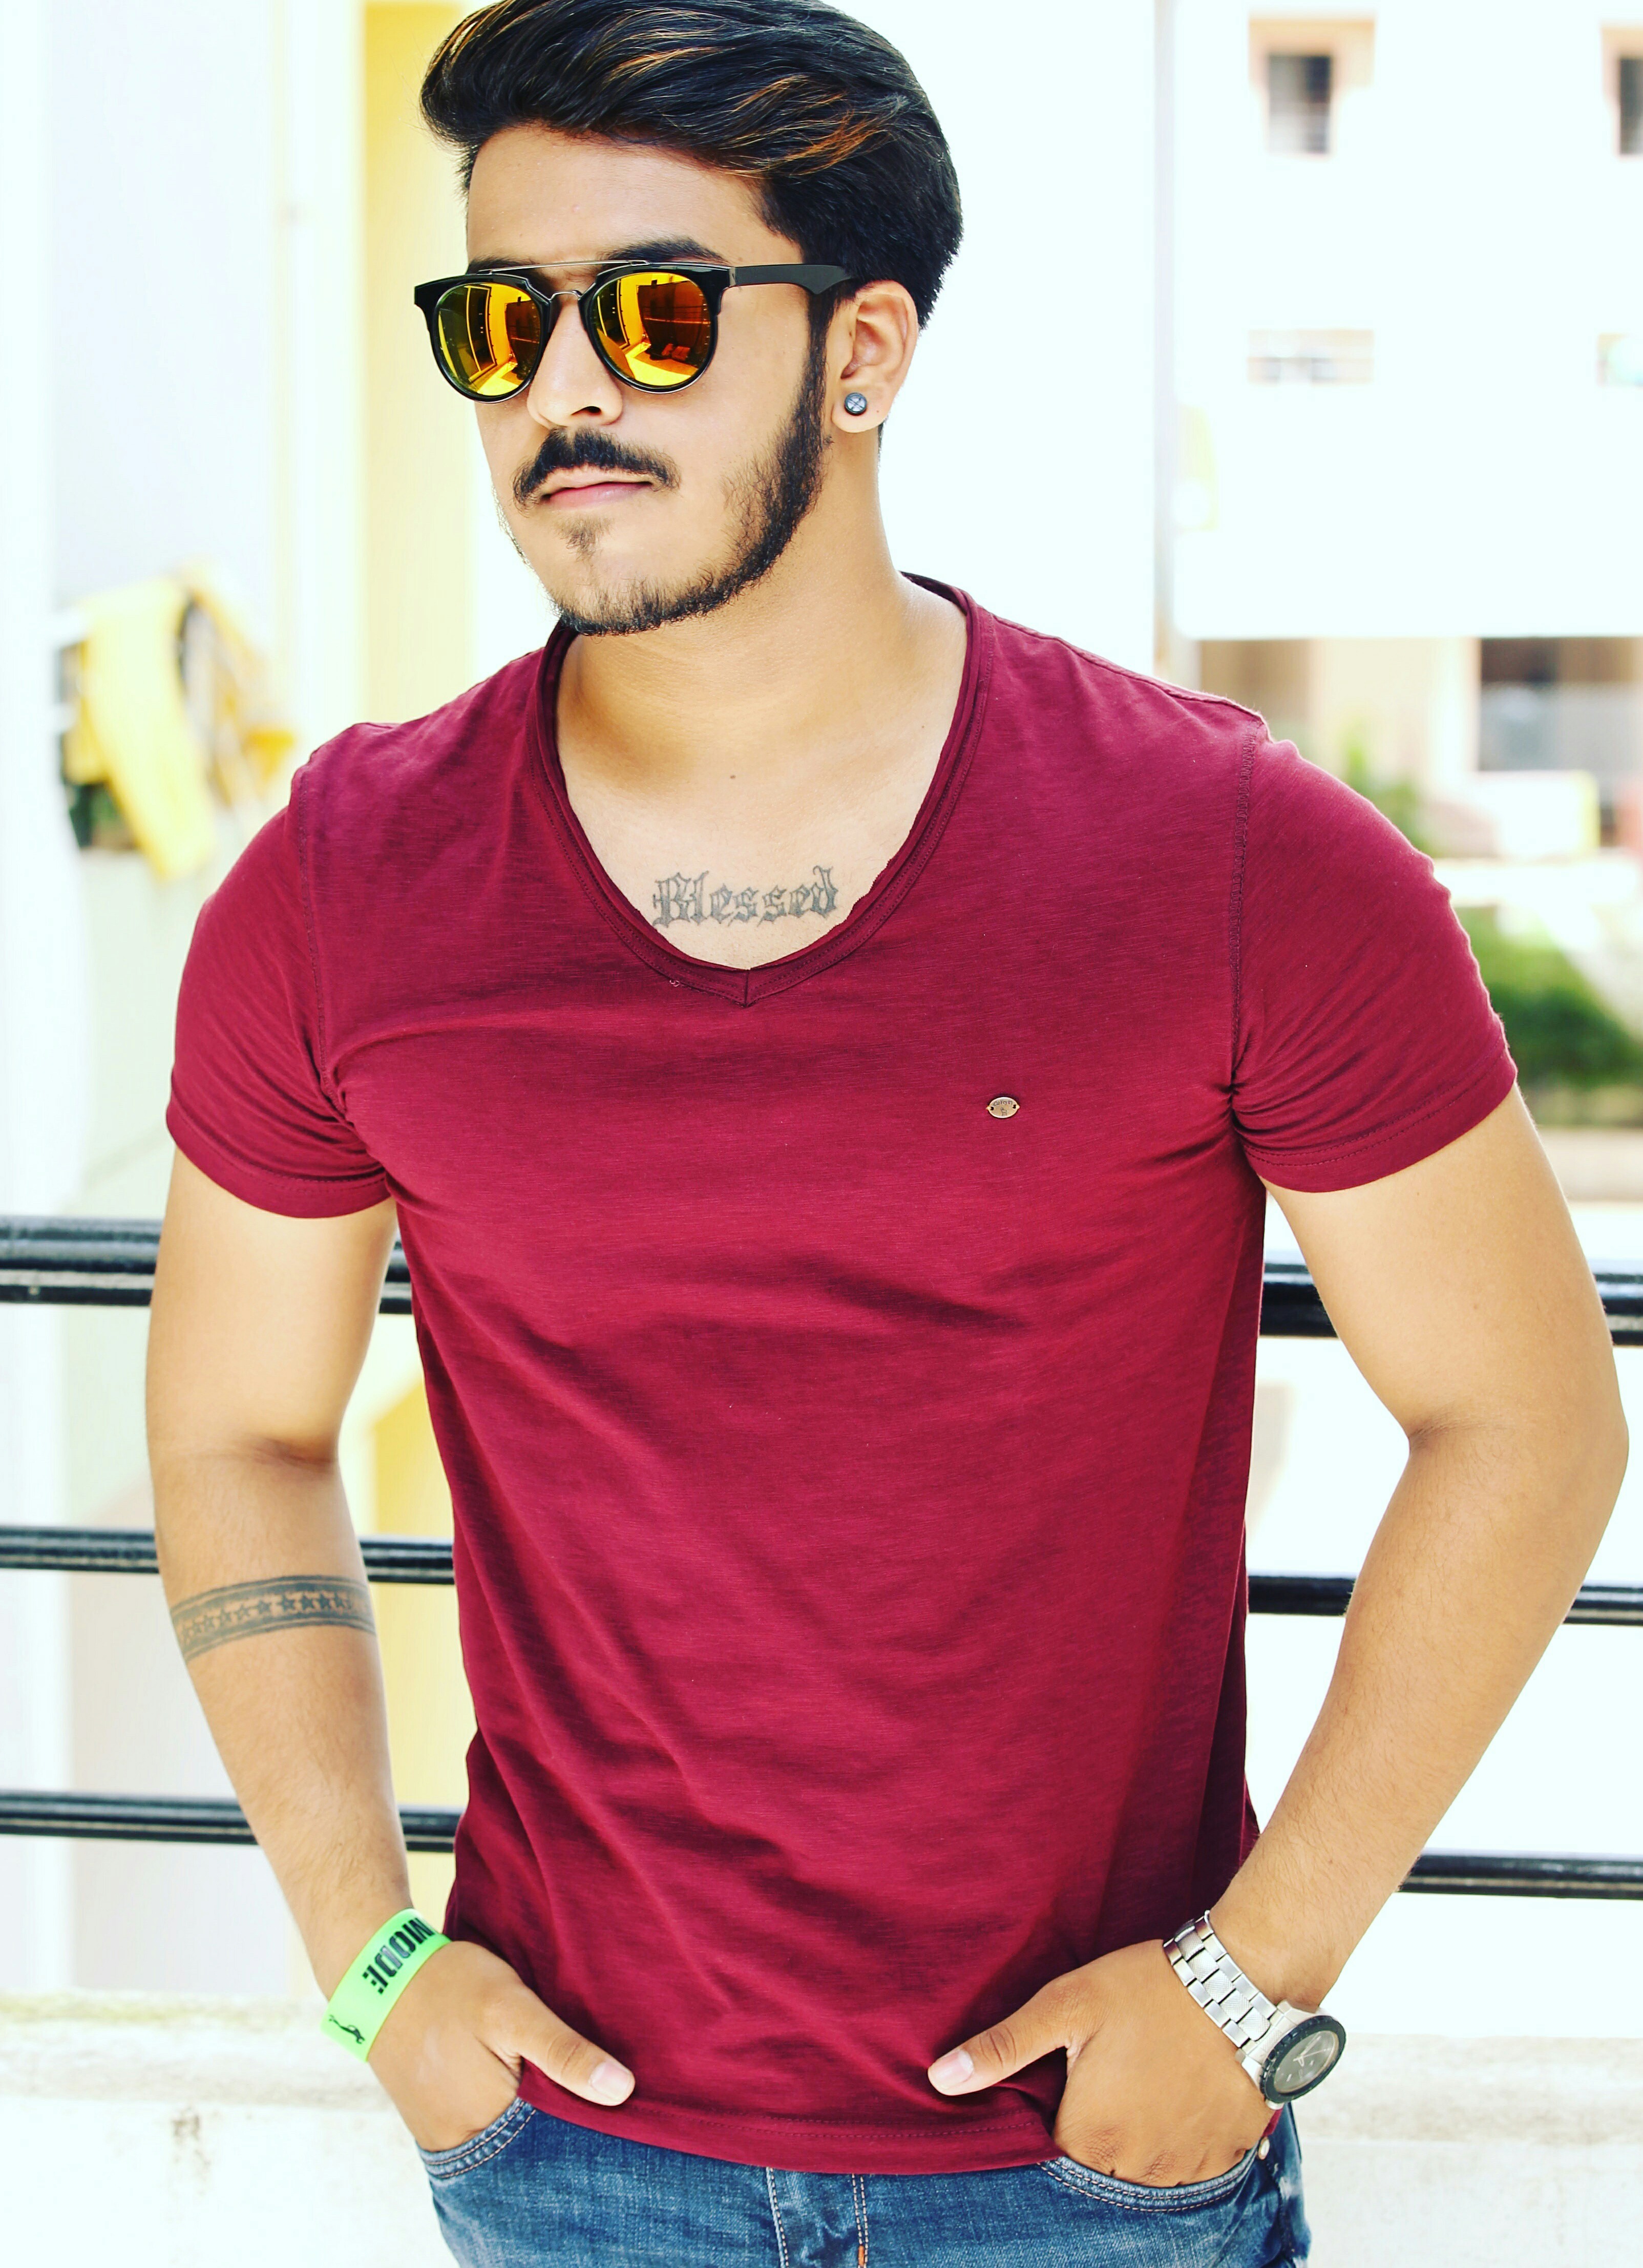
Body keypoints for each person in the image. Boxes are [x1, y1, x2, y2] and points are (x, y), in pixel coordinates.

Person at [145, 4, 1625, 2261]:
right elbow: (238, 1430)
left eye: (652, 311)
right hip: (568, 2157)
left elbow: (1527, 1418)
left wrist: (1251, 1984)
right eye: (499, 322)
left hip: (1090, 2173)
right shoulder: (346, 886)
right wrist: (373, 1965)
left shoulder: (1235, 861)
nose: (563, 392)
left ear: (863, 352)